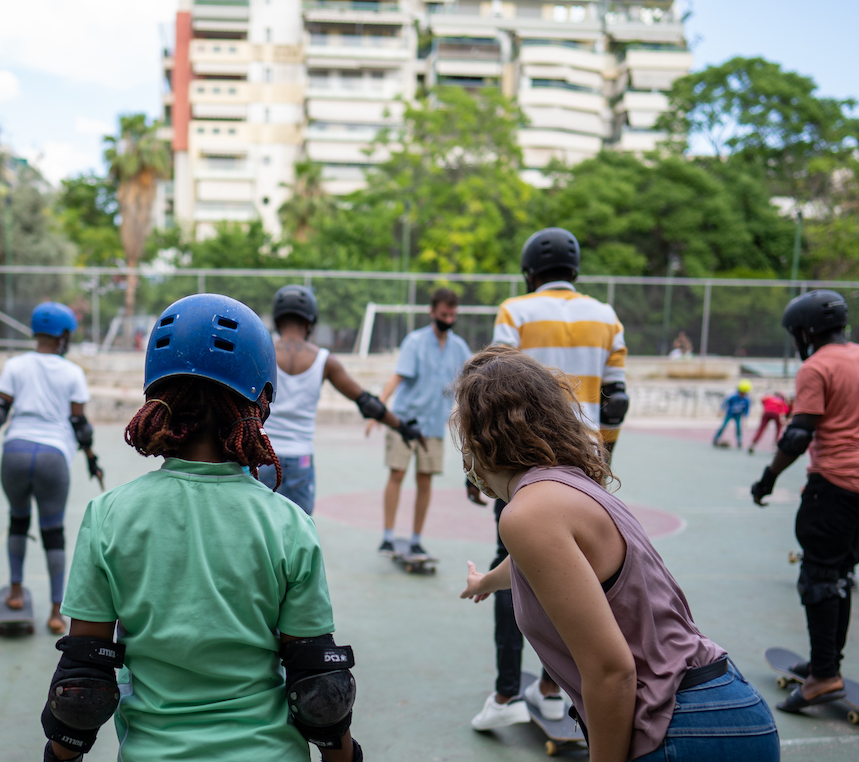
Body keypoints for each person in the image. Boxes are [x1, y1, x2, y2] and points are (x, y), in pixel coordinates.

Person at [26, 293, 376, 762]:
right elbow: (319, 687)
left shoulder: (110, 517)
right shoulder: (285, 524)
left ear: (161, 401)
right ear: (259, 399)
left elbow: (85, 678)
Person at [456, 345, 780, 762]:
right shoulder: (566, 487)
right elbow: (548, 568)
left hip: (693, 747)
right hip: (721, 723)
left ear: (480, 437)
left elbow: (609, 669)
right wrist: (486, 581)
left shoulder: (527, 512)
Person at [470, 227, 629, 732]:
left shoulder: (516, 311)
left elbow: (491, 385)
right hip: (582, 459)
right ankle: (552, 688)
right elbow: (615, 399)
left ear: (529, 272)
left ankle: (505, 693)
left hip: (524, 462)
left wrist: (479, 461)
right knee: (574, 573)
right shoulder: (607, 317)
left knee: (515, 566)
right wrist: (602, 456)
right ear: (575, 271)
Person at [750, 291, 859, 711]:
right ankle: (827, 662)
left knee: (816, 577)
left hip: (835, 482)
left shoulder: (817, 367)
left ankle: (825, 676)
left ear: (807, 331)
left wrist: (768, 478)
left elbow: (798, 434)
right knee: (840, 574)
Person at [0, 302, 103, 635]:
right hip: (54, 456)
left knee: (18, 522)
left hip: (15, 452)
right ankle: (56, 613)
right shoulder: (72, 372)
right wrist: (92, 459)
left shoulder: (15, 365)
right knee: (53, 532)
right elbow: (79, 423)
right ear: (63, 336)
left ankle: (17, 593)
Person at [257, 284, 422, 514]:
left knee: (261, 528)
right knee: (298, 534)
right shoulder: (324, 361)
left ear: (277, 319)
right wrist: (402, 427)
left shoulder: (262, 353)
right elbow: (366, 402)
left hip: (264, 455)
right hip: (301, 459)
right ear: (310, 322)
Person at [369, 288, 472, 555]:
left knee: (425, 481)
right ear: (432, 312)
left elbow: (468, 386)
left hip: (434, 425)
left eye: (452, 315)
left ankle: (416, 539)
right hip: (404, 420)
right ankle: (388, 537)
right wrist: (378, 409)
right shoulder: (415, 342)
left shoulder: (459, 347)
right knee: (397, 474)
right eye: (443, 314)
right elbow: (398, 377)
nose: (448, 319)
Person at [713, 380, 752, 448]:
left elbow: (746, 410)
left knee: (738, 428)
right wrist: (721, 410)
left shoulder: (747, 399)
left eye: (744, 393)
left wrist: (746, 418)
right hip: (729, 414)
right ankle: (716, 438)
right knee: (723, 426)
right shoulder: (733, 396)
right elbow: (725, 402)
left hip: (738, 415)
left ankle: (739, 441)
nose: (742, 394)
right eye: (741, 392)